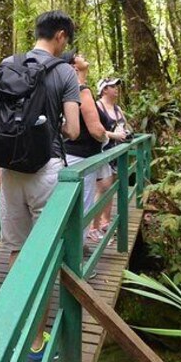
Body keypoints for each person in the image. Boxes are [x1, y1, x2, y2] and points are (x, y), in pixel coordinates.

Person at [0, 10, 80, 362]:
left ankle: (18, 329)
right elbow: (74, 130)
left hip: (10, 167)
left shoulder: (7, 64)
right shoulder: (65, 71)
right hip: (45, 167)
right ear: (60, 36)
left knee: (17, 249)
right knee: (44, 253)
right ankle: (35, 344)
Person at [63, 53, 108, 239]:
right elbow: (96, 130)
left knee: (70, 203)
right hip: (82, 157)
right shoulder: (82, 90)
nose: (82, 55)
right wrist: (107, 138)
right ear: (74, 66)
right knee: (83, 204)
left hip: (67, 154)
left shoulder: (65, 89)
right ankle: (76, 254)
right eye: (78, 55)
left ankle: (69, 249)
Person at [92, 77, 129, 239]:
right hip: (102, 152)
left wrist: (125, 133)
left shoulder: (117, 109)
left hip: (116, 153)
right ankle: (94, 226)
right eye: (112, 86)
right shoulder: (97, 107)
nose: (116, 89)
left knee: (111, 186)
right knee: (103, 188)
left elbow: (124, 126)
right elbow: (94, 130)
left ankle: (105, 222)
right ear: (104, 90)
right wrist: (115, 135)